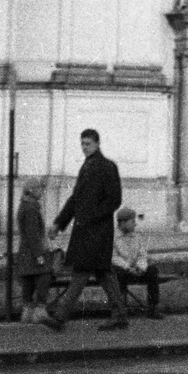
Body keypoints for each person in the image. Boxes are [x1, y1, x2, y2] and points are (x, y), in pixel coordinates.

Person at [44, 129, 129, 332]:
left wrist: (91, 216)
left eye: (88, 143)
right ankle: (120, 316)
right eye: (82, 143)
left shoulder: (107, 167)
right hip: (87, 231)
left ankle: (60, 316)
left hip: (97, 231)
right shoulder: (87, 166)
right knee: (103, 273)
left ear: (97, 144)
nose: (84, 147)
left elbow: (114, 200)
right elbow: (75, 199)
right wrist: (59, 223)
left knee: (81, 272)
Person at [111, 207, 164, 318]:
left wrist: (141, 267)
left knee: (152, 271)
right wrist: (128, 268)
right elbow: (114, 258)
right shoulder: (113, 238)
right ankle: (121, 311)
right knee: (117, 273)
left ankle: (153, 309)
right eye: (132, 222)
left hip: (136, 270)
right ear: (123, 223)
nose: (135, 224)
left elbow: (142, 255)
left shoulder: (136, 236)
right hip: (123, 271)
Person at [15, 178, 53, 324]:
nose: (41, 193)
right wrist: (39, 255)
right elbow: (32, 234)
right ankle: (39, 311)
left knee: (28, 280)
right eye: (39, 190)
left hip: (25, 251)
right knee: (45, 274)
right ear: (31, 191)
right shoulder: (31, 208)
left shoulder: (24, 206)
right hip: (33, 252)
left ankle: (27, 313)